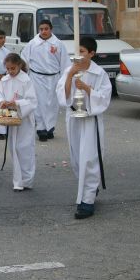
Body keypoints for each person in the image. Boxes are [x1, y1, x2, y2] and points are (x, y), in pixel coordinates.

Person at [57, 37, 112, 219]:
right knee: (77, 160)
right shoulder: (69, 69)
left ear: (91, 53)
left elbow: (104, 98)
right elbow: (62, 95)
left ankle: (87, 202)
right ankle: (89, 187)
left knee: (90, 159)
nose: (78, 55)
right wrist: (71, 75)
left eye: (82, 51)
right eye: (76, 51)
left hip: (90, 119)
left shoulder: (99, 73)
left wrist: (88, 89)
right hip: (74, 118)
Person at [0, 53, 37, 192]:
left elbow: (32, 101)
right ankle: (18, 181)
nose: (10, 71)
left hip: (24, 121)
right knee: (14, 148)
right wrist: (2, 102)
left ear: (19, 66)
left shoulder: (26, 80)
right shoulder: (4, 80)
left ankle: (27, 180)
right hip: (10, 117)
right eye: (8, 69)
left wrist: (16, 103)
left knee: (25, 148)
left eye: (13, 68)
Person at [21, 19, 70, 141]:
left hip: (54, 77)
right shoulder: (32, 44)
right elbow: (24, 60)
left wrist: (65, 79)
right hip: (37, 77)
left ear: (51, 29)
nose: (43, 31)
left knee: (52, 104)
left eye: (46, 29)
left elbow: (64, 62)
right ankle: (41, 129)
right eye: (41, 29)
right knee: (39, 103)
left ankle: (50, 127)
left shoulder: (58, 44)